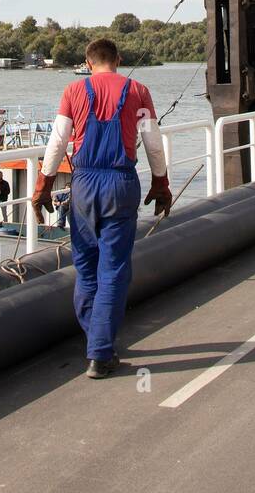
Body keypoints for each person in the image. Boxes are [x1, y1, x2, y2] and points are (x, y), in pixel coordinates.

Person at [31, 37, 172, 379]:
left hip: (83, 187)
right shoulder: (138, 90)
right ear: (118, 60)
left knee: (87, 268)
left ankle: (98, 343)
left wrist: (43, 187)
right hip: (121, 186)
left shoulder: (73, 92)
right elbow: (153, 143)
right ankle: (100, 349)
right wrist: (161, 184)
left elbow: (57, 143)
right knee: (114, 269)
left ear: (88, 61)